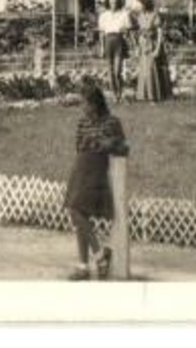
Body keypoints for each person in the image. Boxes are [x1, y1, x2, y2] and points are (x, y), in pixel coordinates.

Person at [62, 81, 128, 280]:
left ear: (96, 103)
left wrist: (109, 144)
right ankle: (85, 265)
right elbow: (79, 146)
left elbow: (123, 148)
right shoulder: (82, 122)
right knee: (78, 213)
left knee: (75, 210)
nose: (82, 108)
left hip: (97, 172)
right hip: (80, 169)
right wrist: (93, 144)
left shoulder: (112, 122)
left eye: (85, 104)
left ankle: (98, 256)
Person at [132, 0, 173, 102]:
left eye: (139, 4)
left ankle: (154, 96)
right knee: (144, 70)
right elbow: (140, 32)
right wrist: (137, 47)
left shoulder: (154, 15)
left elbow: (160, 32)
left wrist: (158, 48)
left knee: (151, 70)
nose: (137, 6)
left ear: (144, 4)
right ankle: (144, 95)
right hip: (143, 44)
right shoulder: (140, 16)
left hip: (152, 44)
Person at [99, 0, 133, 102]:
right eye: (111, 0)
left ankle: (120, 92)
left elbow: (128, 30)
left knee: (117, 71)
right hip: (108, 41)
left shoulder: (124, 14)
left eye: (115, 0)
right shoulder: (103, 15)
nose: (113, 2)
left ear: (118, 1)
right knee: (110, 71)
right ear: (108, 1)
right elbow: (102, 33)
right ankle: (114, 95)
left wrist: (125, 31)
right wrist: (102, 47)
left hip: (119, 41)